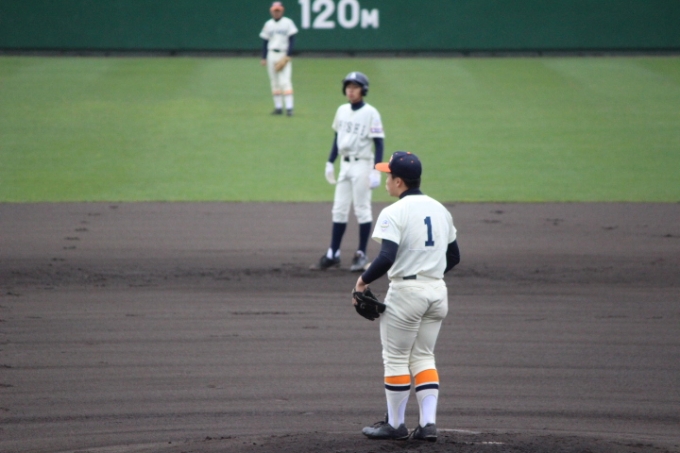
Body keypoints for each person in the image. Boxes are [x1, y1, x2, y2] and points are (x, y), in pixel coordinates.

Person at [353, 151, 461, 441]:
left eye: (388, 176)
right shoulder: (440, 209)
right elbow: (454, 256)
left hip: (407, 293)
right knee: (424, 357)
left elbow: (386, 257)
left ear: (399, 181)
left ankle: (396, 425)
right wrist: (429, 273)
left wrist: (361, 283)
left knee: (396, 358)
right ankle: (427, 425)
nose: (386, 180)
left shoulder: (394, 211)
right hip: (437, 292)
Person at [310, 71, 385, 272]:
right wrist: (330, 161)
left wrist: (376, 170)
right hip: (345, 165)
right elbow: (337, 138)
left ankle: (361, 254)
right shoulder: (341, 110)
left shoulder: (371, 113)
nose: (351, 91)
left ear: (363, 90)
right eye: (348, 87)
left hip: (362, 164)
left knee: (362, 209)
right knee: (339, 209)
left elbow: (379, 143)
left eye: (355, 87)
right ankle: (333, 254)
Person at [259, 2, 298, 116]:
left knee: (285, 81)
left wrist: (288, 55)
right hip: (271, 54)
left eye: (278, 10)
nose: (276, 12)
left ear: (282, 10)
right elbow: (265, 42)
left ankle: (289, 108)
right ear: (271, 11)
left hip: (283, 54)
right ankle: (278, 107)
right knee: (274, 82)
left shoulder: (288, 22)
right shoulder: (268, 24)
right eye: (275, 10)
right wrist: (264, 57)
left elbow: (292, 40)